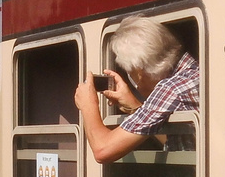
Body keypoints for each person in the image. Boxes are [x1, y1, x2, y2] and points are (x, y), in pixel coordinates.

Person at [72, 14, 198, 162]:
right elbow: (181, 144)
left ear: (139, 71)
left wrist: (88, 105)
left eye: (130, 73)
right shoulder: (195, 73)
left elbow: (102, 149)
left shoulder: (170, 89)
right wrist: (136, 108)